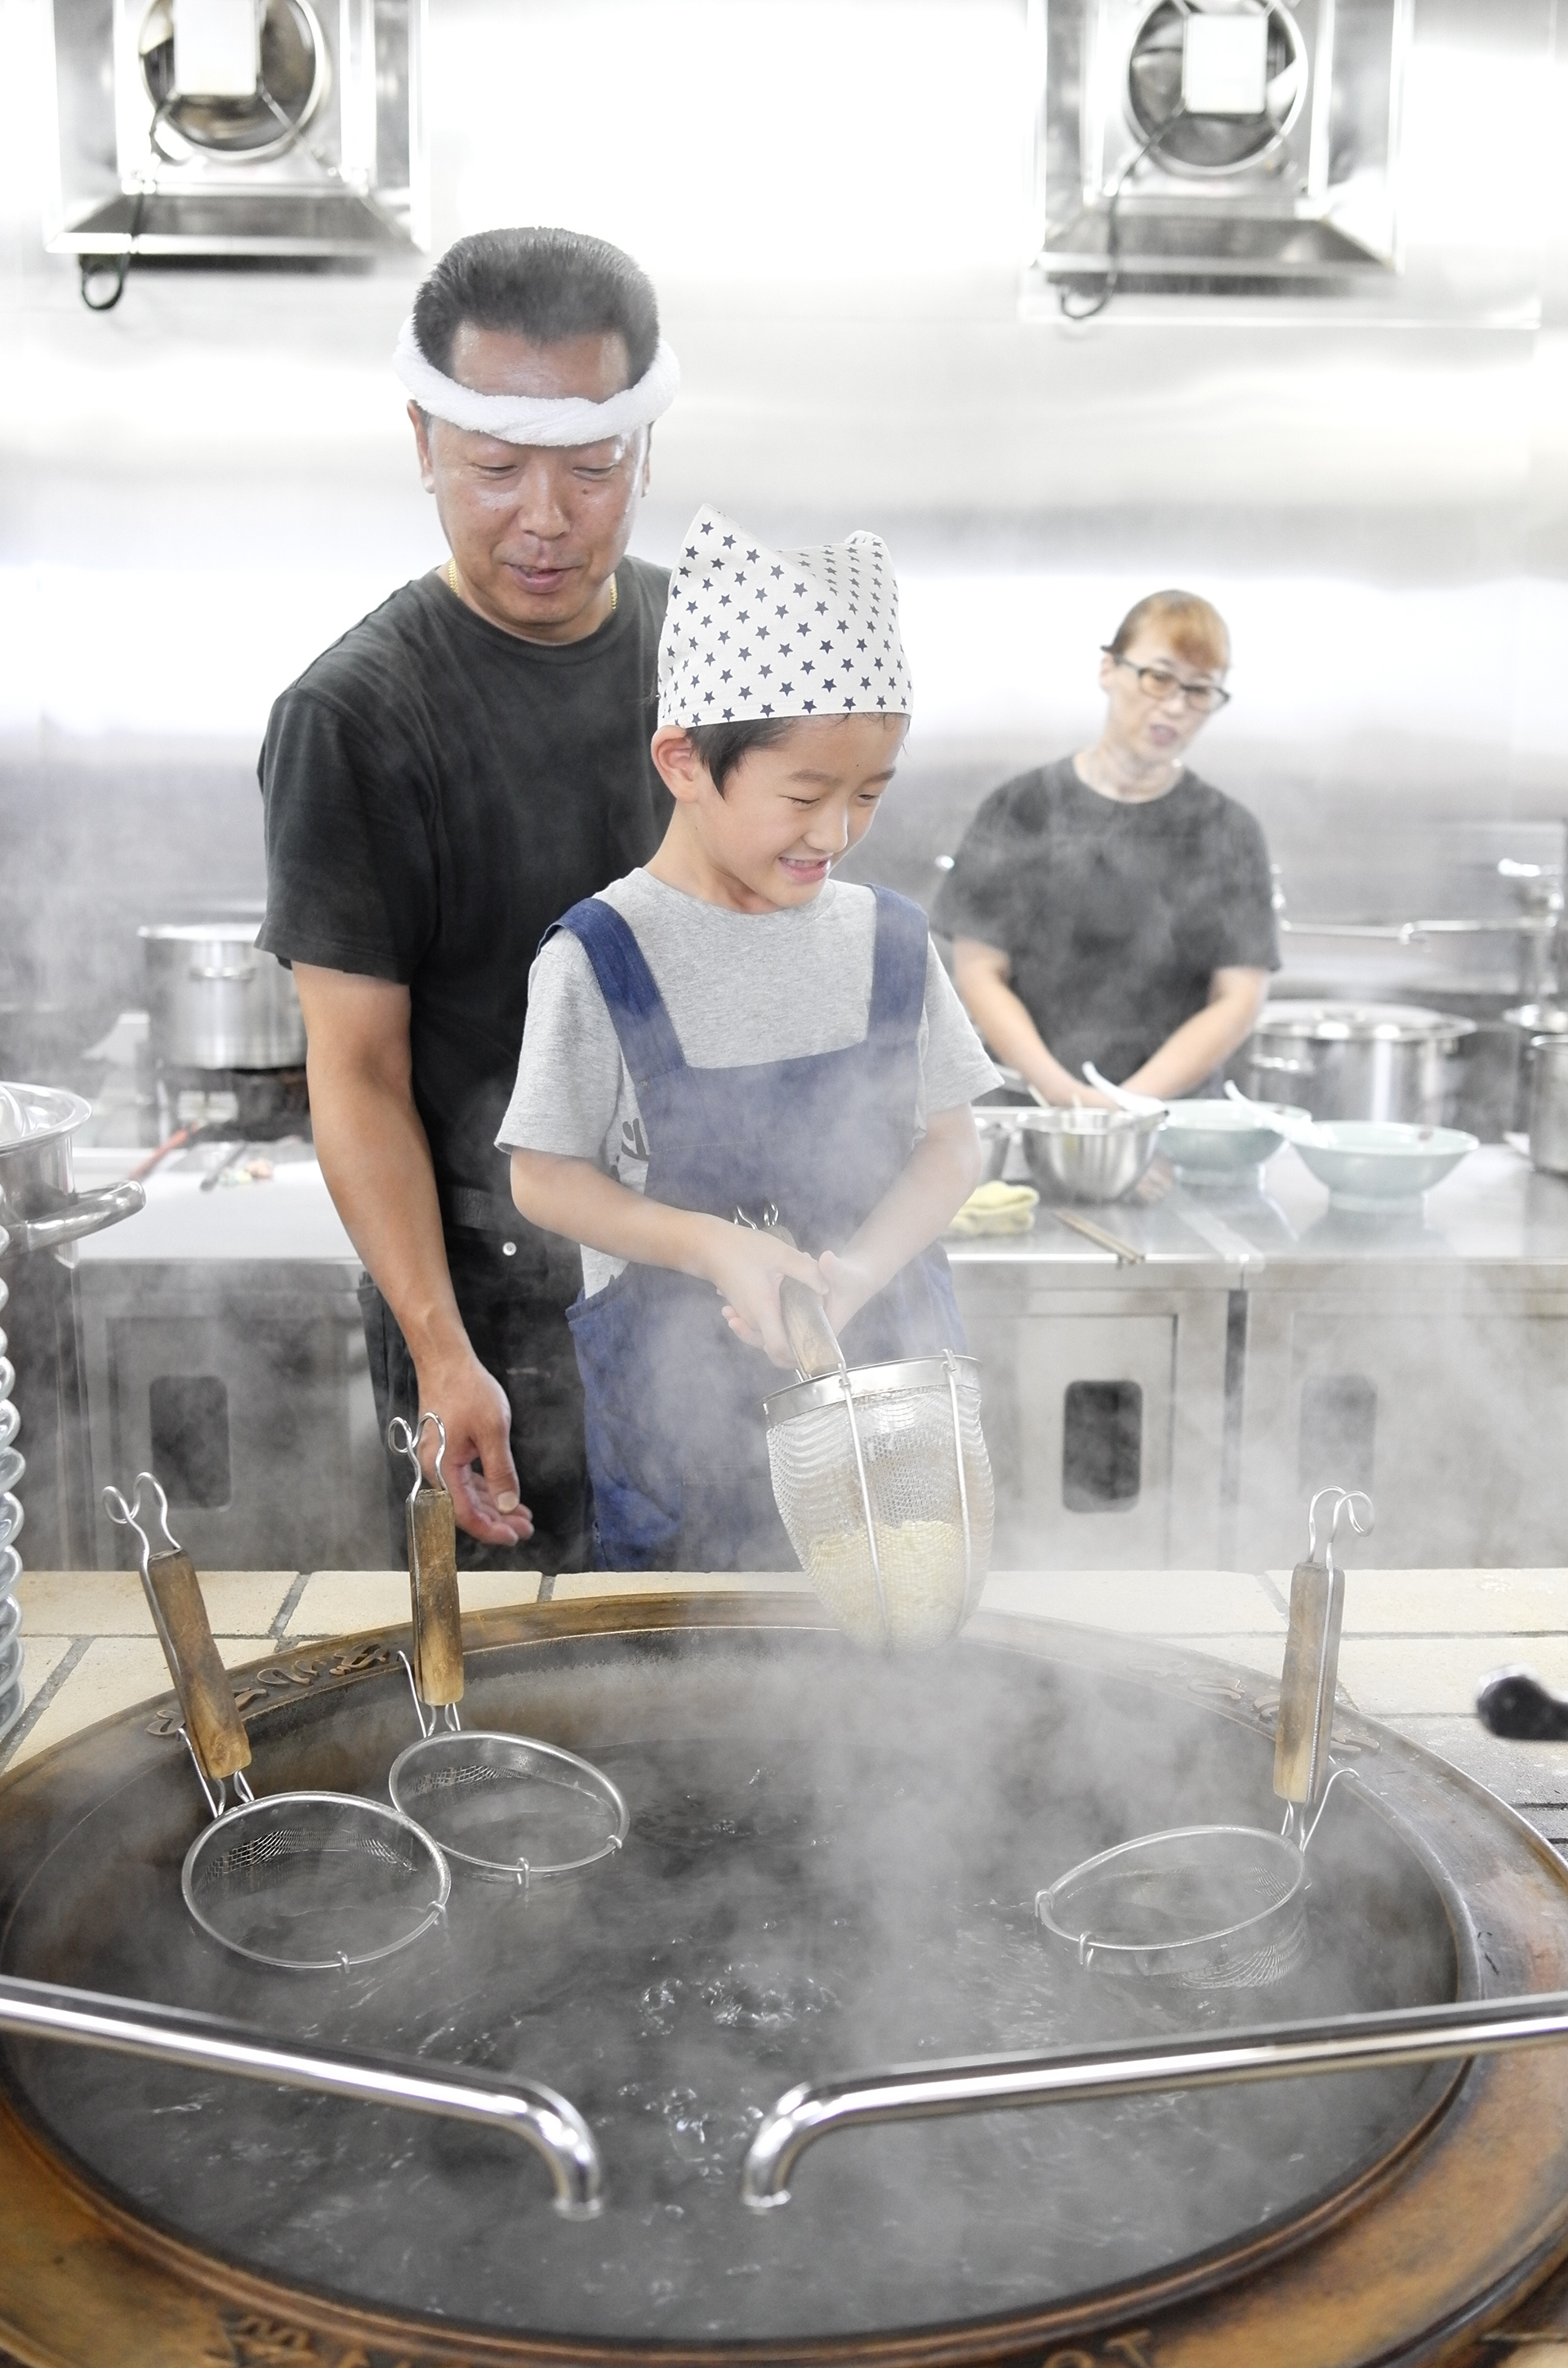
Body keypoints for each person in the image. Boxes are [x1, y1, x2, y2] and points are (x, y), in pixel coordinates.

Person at [256, 227, 679, 1571]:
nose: (544, 518)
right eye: (497, 468)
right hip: (488, 1316)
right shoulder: (355, 717)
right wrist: (442, 1352)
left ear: (645, 451)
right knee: (510, 1678)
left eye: (591, 468)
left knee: (751, 1670)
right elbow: (358, 1073)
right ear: (424, 443)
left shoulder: (717, 653)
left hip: (712, 1288)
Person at [501, 505, 997, 1571]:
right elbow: (543, 1177)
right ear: (684, 760)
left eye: (869, 793)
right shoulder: (601, 955)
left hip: (892, 1438)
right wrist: (714, 1245)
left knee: (908, 1645)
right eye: (805, 793)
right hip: (680, 1466)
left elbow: (954, 1146)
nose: (837, 831)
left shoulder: (890, 940)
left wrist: (856, 1273)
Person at [934, 589, 1279, 1104]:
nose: (1175, 706)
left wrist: (1127, 1105)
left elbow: (1239, 996)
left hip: (1168, 1116)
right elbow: (979, 969)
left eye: (1200, 690)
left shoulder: (1229, 830)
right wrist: (1059, 1091)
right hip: (1029, 1105)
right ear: (1109, 669)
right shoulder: (1022, 807)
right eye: (1159, 677)